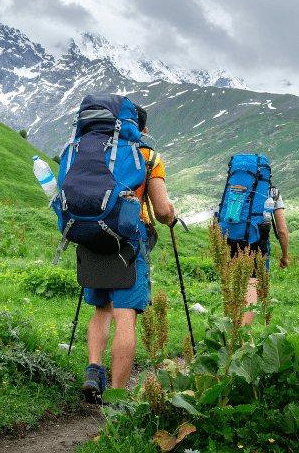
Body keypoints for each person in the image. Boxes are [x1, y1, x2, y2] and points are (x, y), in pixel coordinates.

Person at [81, 104, 176, 402]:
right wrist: (171, 216)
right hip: (129, 242)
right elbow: (161, 211)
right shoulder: (148, 157)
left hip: (92, 236)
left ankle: (94, 370)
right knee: (125, 315)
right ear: (141, 130)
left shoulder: (90, 150)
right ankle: (118, 397)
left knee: (101, 309)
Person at [229, 185, 289, 326]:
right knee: (251, 289)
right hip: (256, 243)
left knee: (236, 288)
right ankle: (241, 335)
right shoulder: (272, 192)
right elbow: (282, 230)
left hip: (231, 240)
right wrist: (285, 256)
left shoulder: (234, 185)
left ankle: (233, 333)